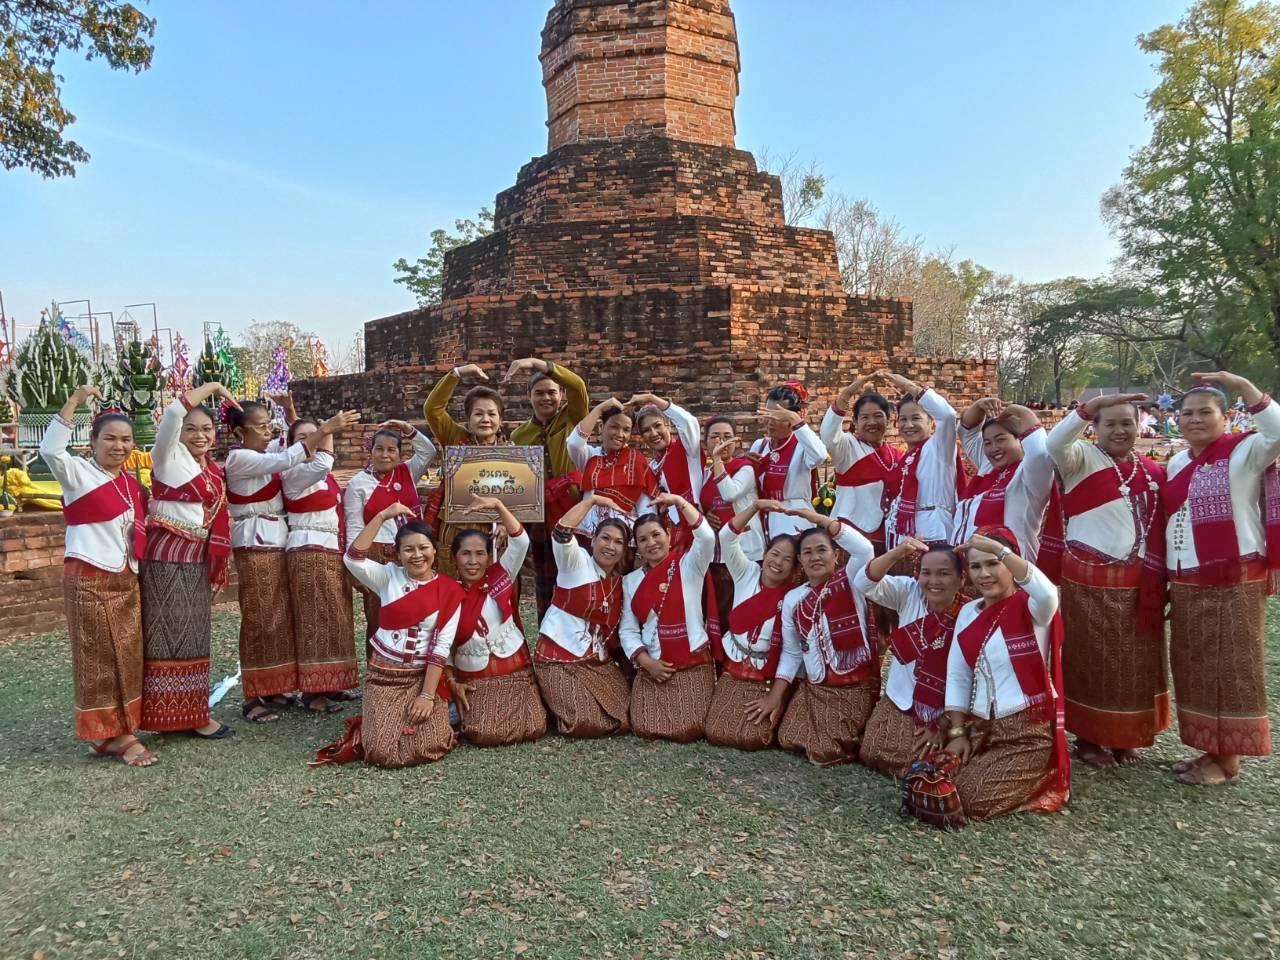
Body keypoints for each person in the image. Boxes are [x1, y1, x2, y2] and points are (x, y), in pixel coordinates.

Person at [1163, 372, 1280, 786]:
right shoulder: (1177, 462)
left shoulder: (1246, 450)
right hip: (1186, 579)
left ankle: (1228, 759)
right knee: (1194, 664)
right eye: (1187, 413)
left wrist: (1244, 386)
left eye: (1205, 412)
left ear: (1226, 416)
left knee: (1231, 665)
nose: (1195, 419)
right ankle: (1209, 748)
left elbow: (1277, 431)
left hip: (1234, 576)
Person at [1042, 393, 1169, 768]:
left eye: (1126, 422)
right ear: (1094, 427)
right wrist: (1088, 408)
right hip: (1088, 581)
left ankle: (1125, 736)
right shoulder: (1080, 458)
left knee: (1134, 664)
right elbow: (1055, 441)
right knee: (1091, 659)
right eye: (1109, 423)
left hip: (1139, 584)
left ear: (1138, 425)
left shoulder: (1152, 470)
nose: (1119, 430)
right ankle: (1089, 738)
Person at [42, 386, 153, 766]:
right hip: (89, 577)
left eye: (126, 440)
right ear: (92, 442)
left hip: (126, 577)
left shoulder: (131, 484)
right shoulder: (77, 473)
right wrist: (73, 401)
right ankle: (114, 735)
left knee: (127, 654)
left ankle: (114, 732)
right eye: (110, 438)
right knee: (98, 657)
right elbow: (50, 450)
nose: (119, 446)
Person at [225, 401, 356, 722]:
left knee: (280, 620)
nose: (268, 431)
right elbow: (290, 454)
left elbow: (291, 441)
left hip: (278, 542)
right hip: (255, 542)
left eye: (269, 423)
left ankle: (275, 688)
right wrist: (326, 430)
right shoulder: (240, 457)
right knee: (260, 618)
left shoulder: (265, 451)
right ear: (240, 432)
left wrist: (292, 413)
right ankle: (253, 698)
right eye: (261, 426)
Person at [942, 529, 1069, 820]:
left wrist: (999, 549)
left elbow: (1048, 592)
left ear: (1011, 564)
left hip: (1027, 731)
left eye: (993, 563)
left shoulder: (1033, 607)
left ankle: (1042, 781)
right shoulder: (968, 612)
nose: (984, 574)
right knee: (936, 778)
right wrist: (957, 732)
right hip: (980, 727)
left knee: (969, 800)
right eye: (976, 566)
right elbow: (959, 674)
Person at [140, 381, 238, 739]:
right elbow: (171, 413)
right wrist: (213, 386)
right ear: (179, 433)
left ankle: (191, 713)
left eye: (207, 429)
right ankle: (167, 716)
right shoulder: (167, 455)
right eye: (191, 429)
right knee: (164, 636)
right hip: (166, 558)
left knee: (195, 636)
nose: (200, 436)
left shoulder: (210, 468)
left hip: (196, 558)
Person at [343, 504, 462, 768]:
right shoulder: (387, 577)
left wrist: (427, 696)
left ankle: (443, 712)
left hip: (422, 677)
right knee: (381, 752)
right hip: (385, 678)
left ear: (434, 550)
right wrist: (382, 515)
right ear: (397, 554)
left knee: (430, 745)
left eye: (423, 547)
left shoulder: (450, 590)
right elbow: (352, 558)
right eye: (408, 549)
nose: (417, 555)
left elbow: (441, 646)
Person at [768, 510, 877, 766]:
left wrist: (822, 521)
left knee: (824, 750)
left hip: (852, 689)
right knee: (787, 737)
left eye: (822, 550)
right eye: (807, 552)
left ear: (836, 555)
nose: (815, 557)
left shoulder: (852, 580)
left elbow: (865, 550)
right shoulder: (793, 599)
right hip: (815, 688)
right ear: (800, 560)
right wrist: (776, 695)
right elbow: (792, 652)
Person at [854, 538, 966, 777]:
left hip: (942, 710)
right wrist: (898, 552)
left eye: (944, 573)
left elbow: (968, 680)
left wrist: (944, 722)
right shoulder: (909, 592)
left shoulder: (969, 614)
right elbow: (863, 582)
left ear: (961, 579)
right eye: (926, 573)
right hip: (900, 698)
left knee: (923, 767)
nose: (933, 581)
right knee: (871, 752)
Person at [449, 495, 547, 747]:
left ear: (488, 556)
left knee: (535, 726)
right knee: (483, 734)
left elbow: (521, 541)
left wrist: (498, 506)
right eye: (466, 554)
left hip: (514, 672)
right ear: (454, 558)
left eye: (480, 554)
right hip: (476, 678)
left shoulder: (501, 576)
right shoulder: (445, 594)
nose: (473, 561)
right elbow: (441, 645)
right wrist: (452, 683)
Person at [533, 493, 633, 737]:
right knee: (585, 721)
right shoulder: (576, 562)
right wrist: (591, 501)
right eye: (605, 538)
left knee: (626, 712)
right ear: (593, 540)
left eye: (618, 542)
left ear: (624, 550)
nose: (610, 546)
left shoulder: (619, 582)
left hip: (594, 659)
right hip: (557, 658)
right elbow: (561, 533)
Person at [620, 493, 717, 742]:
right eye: (643, 539)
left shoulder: (689, 564)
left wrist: (680, 503)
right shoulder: (630, 582)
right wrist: (647, 663)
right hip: (653, 666)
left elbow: (707, 537)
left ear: (668, 535)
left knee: (689, 729)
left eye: (656, 535)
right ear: (637, 546)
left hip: (691, 664)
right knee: (643, 725)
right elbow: (627, 630)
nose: (651, 543)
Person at [703, 500, 799, 750]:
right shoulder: (746, 572)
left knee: (753, 738)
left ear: (794, 567)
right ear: (765, 554)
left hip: (767, 676)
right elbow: (726, 537)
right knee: (715, 731)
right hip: (734, 669)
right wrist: (754, 507)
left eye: (787, 559)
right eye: (774, 554)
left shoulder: (794, 597)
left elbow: (792, 653)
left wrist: (774, 697)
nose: (778, 562)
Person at [281, 413, 360, 712]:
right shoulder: (294, 472)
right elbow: (323, 462)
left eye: (315, 435)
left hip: (329, 549)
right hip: (308, 549)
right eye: (302, 438)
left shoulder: (321, 477)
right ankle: (313, 692)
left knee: (333, 616)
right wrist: (327, 430)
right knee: (313, 619)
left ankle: (330, 683)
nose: (311, 441)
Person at [505, 357, 590, 620]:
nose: (546, 398)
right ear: (529, 396)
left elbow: (578, 386)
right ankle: (547, 632)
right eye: (539, 393)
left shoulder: (573, 418)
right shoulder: (519, 436)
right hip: (540, 515)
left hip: (574, 510)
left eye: (552, 392)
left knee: (577, 573)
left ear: (561, 394)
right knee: (546, 580)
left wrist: (534, 363)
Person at [341, 419, 437, 644]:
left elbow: (428, 452)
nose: (385, 455)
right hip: (376, 555)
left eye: (392, 450)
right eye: (379, 449)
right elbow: (354, 525)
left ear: (400, 455)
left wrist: (406, 428)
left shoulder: (407, 472)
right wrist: (355, 568)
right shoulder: (358, 484)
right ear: (371, 451)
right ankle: (377, 662)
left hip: (413, 552)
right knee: (379, 616)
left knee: (417, 612)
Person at [423, 363, 507, 577]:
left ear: (500, 420)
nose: (485, 419)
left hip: (493, 534)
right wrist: (457, 373)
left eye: (492, 414)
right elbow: (432, 410)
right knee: (452, 589)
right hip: (455, 529)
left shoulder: (512, 453)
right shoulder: (456, 439)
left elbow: (522, 499)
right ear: (468, 421)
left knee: (490, 591)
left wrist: (507, 524)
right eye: (478, 414)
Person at [952, 398, 1054, 563]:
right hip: (968, 566)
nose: (994, 448)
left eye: (1000, 439)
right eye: (987, 443)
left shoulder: (1031, 475)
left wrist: (1022, 412)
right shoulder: (987, 467)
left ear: (1020, 439)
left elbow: (1039, 454)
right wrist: (980, 405)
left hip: (1011, 567)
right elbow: (967, 431)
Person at [820, 374, 904, 552]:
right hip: (849, 534)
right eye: (865, 417)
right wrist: (848, 392)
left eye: (878, 416)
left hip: (888, 537)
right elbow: (828, 433)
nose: (872, 422)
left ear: (889, 419)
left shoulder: (898, 455)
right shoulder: (847, 448)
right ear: (855, 422)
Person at [880, 373, 959, 559]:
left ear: (932, 423)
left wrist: (907, 385)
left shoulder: (939, 448)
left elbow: (947, 415)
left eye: (916, 418)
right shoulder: (904, 459)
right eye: (903, 419)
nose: (909, 425)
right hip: (899, 537)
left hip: (932, 535)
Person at [700, 417, 763, 643]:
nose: (721, 442)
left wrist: (717, 459)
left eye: (727, 437)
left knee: (744, 607)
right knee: (722, 609)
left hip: (746, 549)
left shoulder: (745, 468)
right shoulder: (705, 473)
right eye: (715, 437)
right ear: (705, 443)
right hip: (717, 554)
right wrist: (706, 515)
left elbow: (729, 493)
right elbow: (702, 504)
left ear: (736, 441)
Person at [566, 397, 658, 537]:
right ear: (601, 427)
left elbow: (646, 508)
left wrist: (645, 540)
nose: (620, 434)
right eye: (614, 427)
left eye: (626, 430)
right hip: (590, 536)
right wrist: (599, 409)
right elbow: (573, 444)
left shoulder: (637, 461)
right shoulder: (591, 456)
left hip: (624, 538)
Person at [750, 381, 828, 539]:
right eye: (768, 415)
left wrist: (795, 419)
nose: (770, 422)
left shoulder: (802, 446)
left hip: (793, 517)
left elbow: (820, 456)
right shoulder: (760, 445)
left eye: (778, 416)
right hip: (763, 517)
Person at [630, 392, 705, 534]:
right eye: (646, 430)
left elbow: (689, 422)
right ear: (642, 437)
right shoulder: (650, 467)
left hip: (698, 526)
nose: (653, 433)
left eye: (657, 425)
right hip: (671, 535)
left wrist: (652, 398)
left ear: (668, 425)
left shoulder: (687, 449)